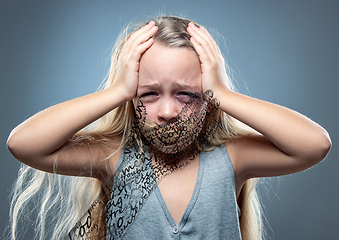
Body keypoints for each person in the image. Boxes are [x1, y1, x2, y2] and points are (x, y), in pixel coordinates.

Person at [6, 16, 331, 240]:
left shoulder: (232, 157)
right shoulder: (113, 157)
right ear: (132, 98)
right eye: (148, 93)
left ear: (207, 98)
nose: (166, 111)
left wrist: (224, 93)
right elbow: (24, 144)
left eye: (186, 94)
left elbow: (314, 145)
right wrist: (116, 91)